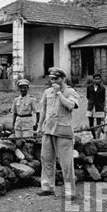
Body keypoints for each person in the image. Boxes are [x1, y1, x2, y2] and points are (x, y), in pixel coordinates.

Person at [37, 67, 79, 199]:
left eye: (56, 78)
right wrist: (39, 126)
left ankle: (69, 192)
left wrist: (59, 93)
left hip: (63, 131)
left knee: (66, 163)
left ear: (63, 79)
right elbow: (43, 109)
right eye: (51, 79)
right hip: (48, 130)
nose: (53, 81)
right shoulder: (47, 92)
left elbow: (71, 106)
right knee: (46, 159)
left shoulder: (70, 91)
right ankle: (47, 187)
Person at [86, 73, 106, 139]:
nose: (97, 80)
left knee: (99, 123)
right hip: (91, 107)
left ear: (100, 80)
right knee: (91, 123)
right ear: (93, 80)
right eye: (95, 79)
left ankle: (98, 137)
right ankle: (94, 136)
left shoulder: (103, 88)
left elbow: (103, 98)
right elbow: (88, 96)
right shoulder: (89, 87)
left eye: (98, 79)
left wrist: (101, 105)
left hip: (99, 107)